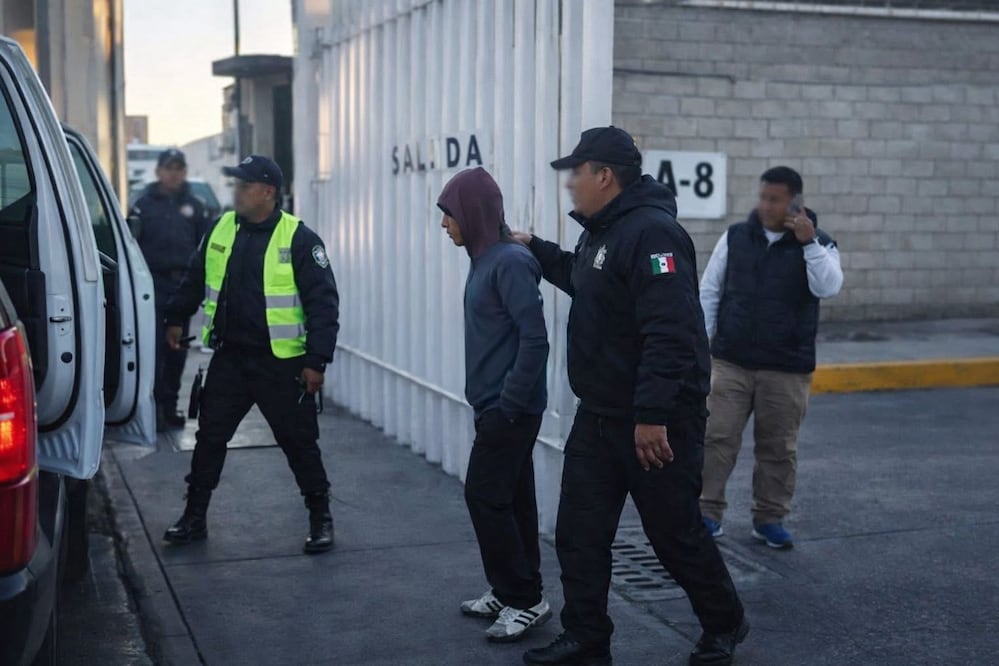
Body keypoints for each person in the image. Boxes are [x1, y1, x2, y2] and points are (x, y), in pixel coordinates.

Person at [514, 127, 748, 666]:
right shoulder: (604, 232)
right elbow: (586, 277)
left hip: (655, 422)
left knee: (674, 535)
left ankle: (724, 622)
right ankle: (586, 638)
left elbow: (671, 332)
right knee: (579, 532)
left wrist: (652, 416)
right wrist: (536, 248)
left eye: (577, 171)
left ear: (604, 176)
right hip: (600, 415)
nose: (570, 182)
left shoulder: (652, 235)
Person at [161, 155, 340, 554]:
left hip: (282, 364)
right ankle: (194, 517)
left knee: (299, 443)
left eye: (244, 186)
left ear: (267, 192)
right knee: (209, 438)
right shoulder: (221, 228)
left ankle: (320, 516)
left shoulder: (299, 239)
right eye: (236, 185)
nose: (236, 192)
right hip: (231, 360)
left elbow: (323, 304)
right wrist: (176, 317)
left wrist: (316, 361)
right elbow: (195, 278)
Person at [698, 166, 843, 550]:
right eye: (763, 197)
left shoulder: (821, 244)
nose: (765, 205)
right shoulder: (736, 237)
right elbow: (710, 291)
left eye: (774, 199)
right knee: (716, 437)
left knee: (778, 448)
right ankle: (707, 513)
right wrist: (703, 345)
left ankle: (770, 518)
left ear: (795, 202)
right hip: (731, 359)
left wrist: (808, 242)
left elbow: (829, 287)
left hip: (786, 367)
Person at [436, 168, 552, 643]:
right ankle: (514, 591)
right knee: (513, 497)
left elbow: (535, 340)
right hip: (495, 405)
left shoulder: (509, 262)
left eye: (449, 215)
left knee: (482, 495)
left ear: (473, 213)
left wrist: (509, 402)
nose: (445, 225)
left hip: (511, 408)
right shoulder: (483, 259)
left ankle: (524, 599)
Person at [128, 148, 210, 431]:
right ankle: (153, 409)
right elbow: (131, 247)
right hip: (153, 286)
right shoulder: (143, 205)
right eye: (169, 168)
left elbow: (205, 248)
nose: (174, 173)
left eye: (179, 168)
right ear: (158, 171)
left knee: (178, 352)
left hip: (183, 288)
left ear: (185, 172)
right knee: (154, 352)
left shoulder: (196, 206)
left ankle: (170, 407)